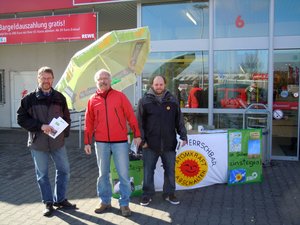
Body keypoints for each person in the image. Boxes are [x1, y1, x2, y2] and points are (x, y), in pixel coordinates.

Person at [17, 66, 76, 217]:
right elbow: (21, 119)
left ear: (53, 79)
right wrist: (40, 126)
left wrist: (64, 134)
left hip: (58, 143)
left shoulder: (60, 97)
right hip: (38, 143)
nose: (46, 81)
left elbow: (66, 117)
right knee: (42, 175)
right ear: (38, 79)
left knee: (64, 171)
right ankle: (48, 203)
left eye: (49, 78)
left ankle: (60, 199)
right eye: (43, 78)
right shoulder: (29, 99)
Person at [84, 69, 142, 217]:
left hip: (120, 142)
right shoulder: (92, 100)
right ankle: (105, 201)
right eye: (100, 79)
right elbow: (88, 123)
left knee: (123, 174)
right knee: (103, 174)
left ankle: (124, 204)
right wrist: (87, 142)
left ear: (110, 80)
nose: (103, 81)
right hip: (101, 142)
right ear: (96, 82)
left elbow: (131, 116)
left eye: (106, 78)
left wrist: (137, 134)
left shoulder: (120, 96)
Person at [137, 75, 187, 206]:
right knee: (148, 171)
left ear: (165, 84)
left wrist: (183, 136)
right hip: (150, 144)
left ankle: (169, 194)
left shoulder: (173, 100)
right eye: (156, 84)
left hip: (169, 143)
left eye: (161, 84)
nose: (158, 87)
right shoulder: (144, 101)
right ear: (152, 85)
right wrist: (143, 140)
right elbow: (139, 123)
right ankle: (147, 195)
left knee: (170, 170)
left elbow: (179, 121)